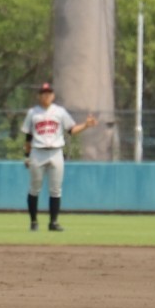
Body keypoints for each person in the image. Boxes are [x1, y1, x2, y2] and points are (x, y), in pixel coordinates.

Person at [21, 82, 97, 232]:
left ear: (53, 95)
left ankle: (53, 222)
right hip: (38, 151)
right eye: (44, 93)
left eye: (49, 93)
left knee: (55, 190)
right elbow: (28, 137)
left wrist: (86, 125)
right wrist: (26, 156)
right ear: (39, 96)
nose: (46, 95)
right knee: (34, 188)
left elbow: (71, 130)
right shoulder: (33, 113)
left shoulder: (60, 112)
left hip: (56, 152)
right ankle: (34, 221)